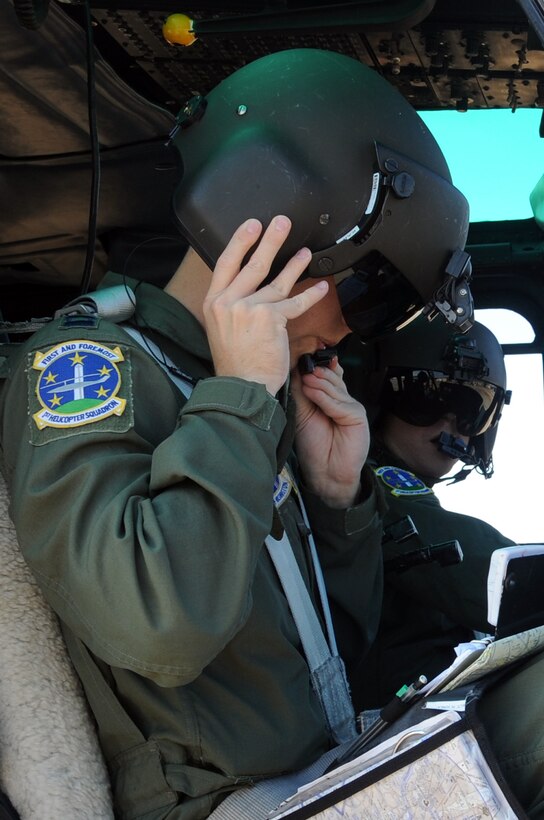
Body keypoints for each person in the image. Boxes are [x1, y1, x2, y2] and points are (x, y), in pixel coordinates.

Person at [0, 49, 473, 819]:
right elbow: (158, 626)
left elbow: (337, 653)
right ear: (272, 236)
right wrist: (239, 400)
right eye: (367, 294)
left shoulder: (245, 391)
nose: (351, 331)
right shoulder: (89, 368)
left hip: (314, 768)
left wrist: (335, 504)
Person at [338, 315, 516, 711]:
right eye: (425, 399)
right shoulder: (363, 487)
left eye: (470, 409)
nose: (450, 425)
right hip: (386, 725)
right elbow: (484, 572)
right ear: (375, 395)